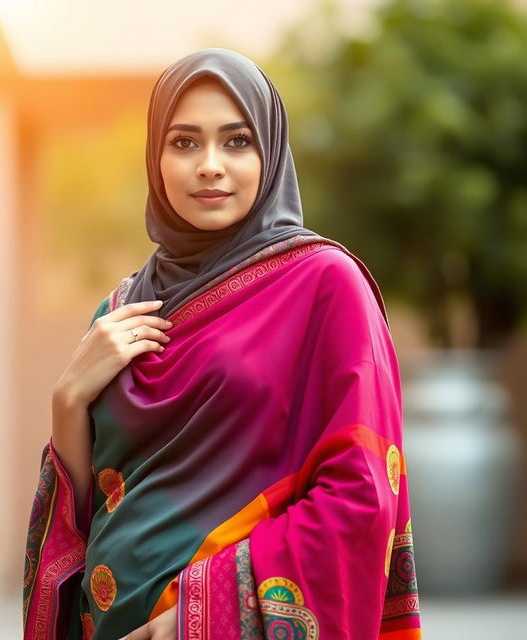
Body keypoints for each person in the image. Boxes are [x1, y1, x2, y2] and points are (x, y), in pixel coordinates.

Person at [23, 47, 423, 640]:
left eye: (236, 141)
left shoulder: (323, 286)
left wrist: (190, 621)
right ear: (156, 158)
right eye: (184, 143)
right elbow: (84, 518)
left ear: (270, 152)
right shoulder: (122, 310)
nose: (210, 165)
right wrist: (67, 401)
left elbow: (360, 492)